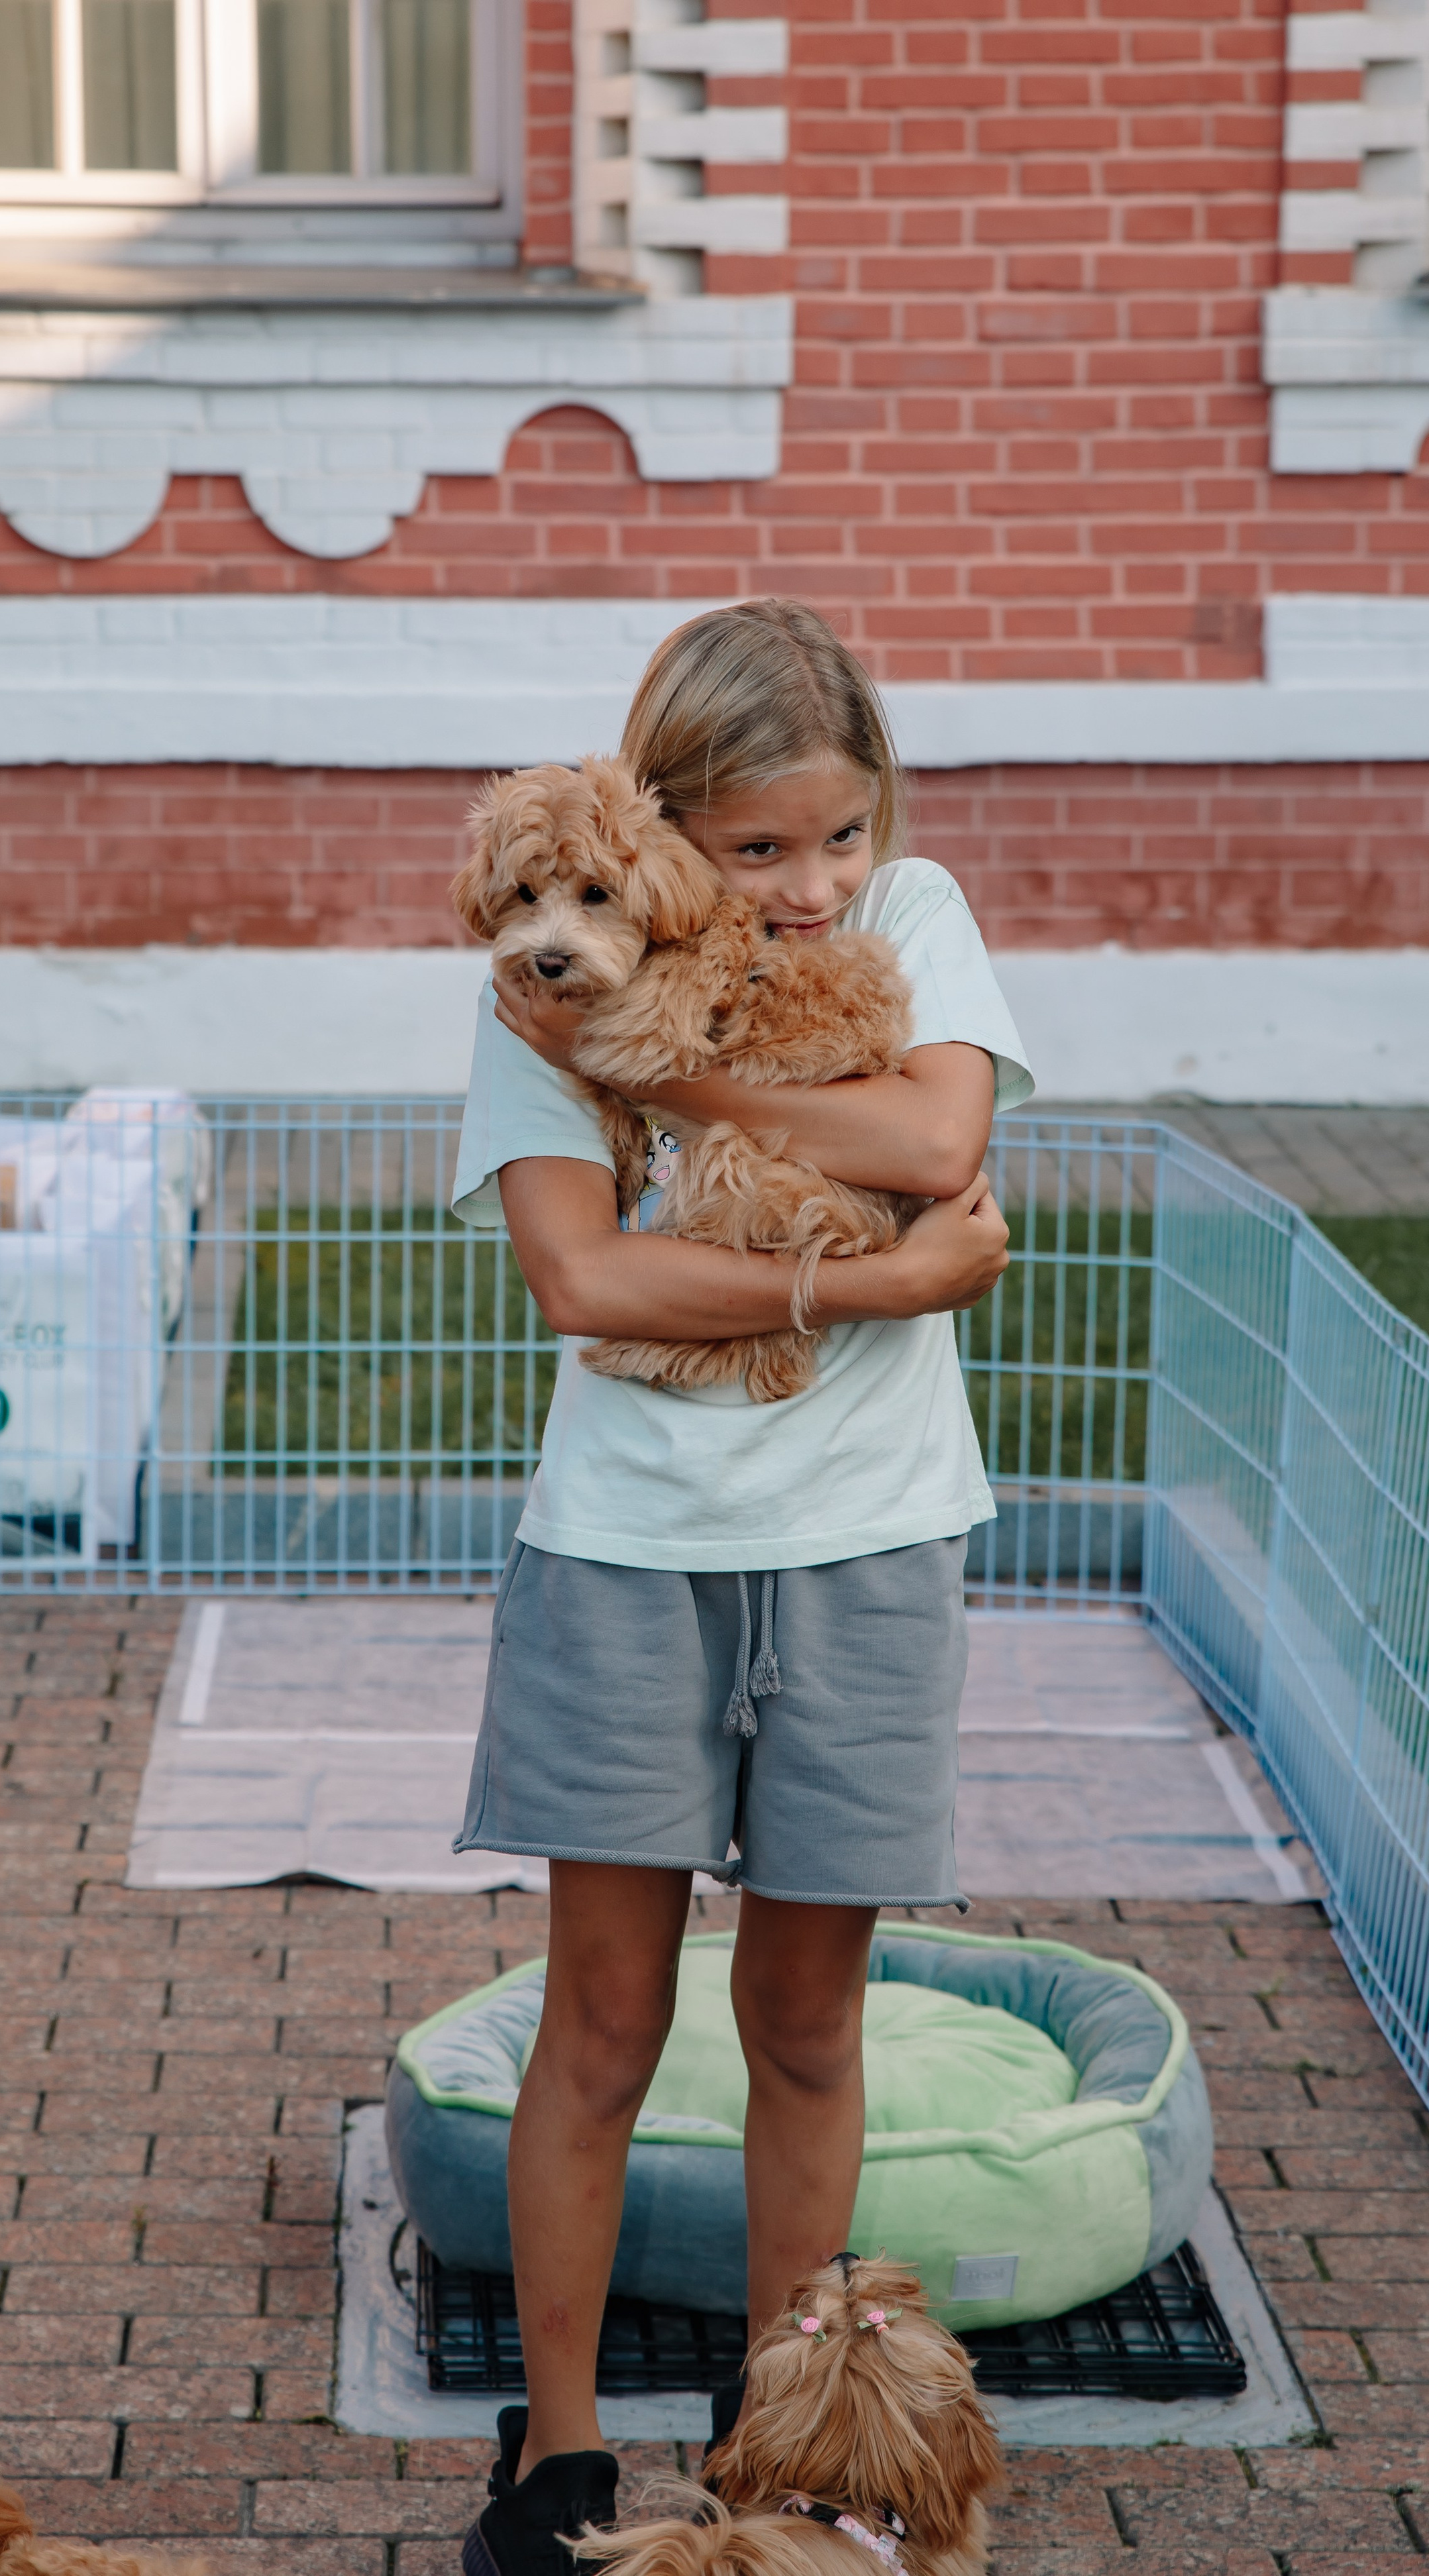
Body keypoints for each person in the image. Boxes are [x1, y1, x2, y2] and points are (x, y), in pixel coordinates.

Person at [448, 600, 1033, 2576]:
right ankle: (556, 2443)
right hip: (628, 1546)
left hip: (870, 1536)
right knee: (600, 2019)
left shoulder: (920, 916)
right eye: (758, 849)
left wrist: (675, 1090)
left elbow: (938, 1129)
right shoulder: (545, 963)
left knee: (808, 2013)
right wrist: (881, 1279)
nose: (810, 890)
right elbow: (588, 1282)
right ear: (667, 828)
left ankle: (796, 2433)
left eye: (837, 837)